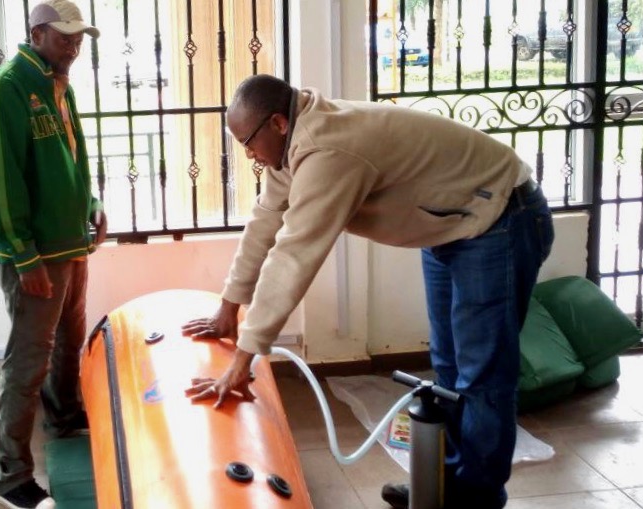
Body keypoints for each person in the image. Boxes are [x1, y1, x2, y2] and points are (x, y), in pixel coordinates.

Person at [182, 74, 554, 509]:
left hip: (498, 217)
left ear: (279, 123)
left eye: (248, 141)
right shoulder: (292, 147)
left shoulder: (327, 151)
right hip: (450, 225)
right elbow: (264, 223)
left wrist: (244, 358)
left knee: (482, 377)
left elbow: (294, 256)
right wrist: (228, 308)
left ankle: (476, 499)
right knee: (449, 368)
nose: (248, 153)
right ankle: (443, 488)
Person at [0, 1, 104, 508]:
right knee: (27, 360)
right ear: (37, 33)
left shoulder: (58, 82)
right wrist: (22, 254)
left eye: (78, 37)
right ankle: (10, 476)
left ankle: (66, 420)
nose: (73, 45)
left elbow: (75, 153)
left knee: (69, 340)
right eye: (64, 36)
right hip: (35, 252)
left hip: (71, 241)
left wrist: (90, 202)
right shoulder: (9, 86)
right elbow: (1, 178)